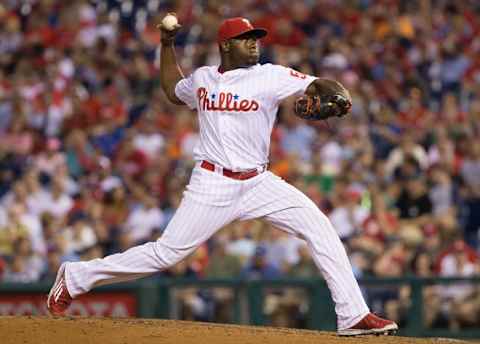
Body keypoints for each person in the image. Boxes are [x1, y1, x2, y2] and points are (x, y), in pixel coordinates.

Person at [47, 15, 398, 336]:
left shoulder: (270, 75)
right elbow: (173, 90)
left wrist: (336, 95)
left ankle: (352, 314)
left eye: (256, 38)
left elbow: (319, 85)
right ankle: (76, 276)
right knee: (165, 254)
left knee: (319, 226)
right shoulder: (202, 78)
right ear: (226, 45)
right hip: (213, 183)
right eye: (246, 38)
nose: (254, 43)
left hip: (259, 182)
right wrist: (167, 45)